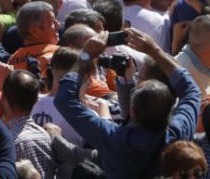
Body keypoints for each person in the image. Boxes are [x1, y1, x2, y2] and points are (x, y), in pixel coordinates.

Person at [55, 27, 201, 178]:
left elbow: (64, 100)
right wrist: (154, 50)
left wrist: (85, 56)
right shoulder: (179, 132)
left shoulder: (113, 137)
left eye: (140, 78)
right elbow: (191, 90)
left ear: (133, 111)